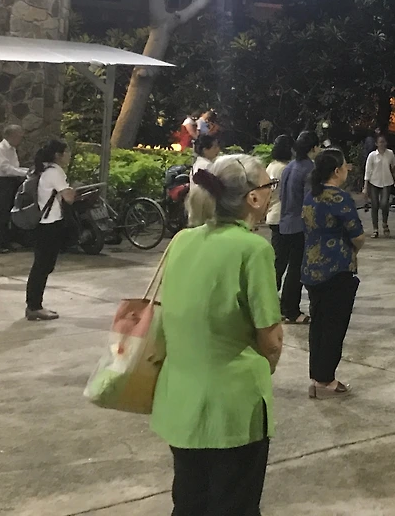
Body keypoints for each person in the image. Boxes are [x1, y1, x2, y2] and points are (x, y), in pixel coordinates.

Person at [152, 154, 282, 516]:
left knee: (189, 503)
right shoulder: (253, 249)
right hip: (232, 408)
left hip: (180, 402)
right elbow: (270, 339)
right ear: (253, 198)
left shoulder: (182, 240)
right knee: (234, 505)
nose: (272, 192)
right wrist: (267, 364)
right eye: (269, 186)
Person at [302, 148, 365, 397]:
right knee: (334, 326)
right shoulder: (340, 198)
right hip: (336, 269)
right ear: (337, 171)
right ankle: (325, 380)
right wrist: (353, 249)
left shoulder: (311, 196)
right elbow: (357, 235)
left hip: (312, 267)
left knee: (318, 324)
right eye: (345, 166)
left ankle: (317, 375)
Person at [23, 139, 78, 320]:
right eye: (66, 152)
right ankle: (34, 307)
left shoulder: (41, 169)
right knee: (43, 266)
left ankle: (34, 305)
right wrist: (73, 189)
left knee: (41, 265)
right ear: (58, 155)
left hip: (41, 222)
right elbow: (69, 198)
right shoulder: (55, 171)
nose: (68, 156)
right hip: (50, 223)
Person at [276, 131, 319, 325]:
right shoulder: (310, 169)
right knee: (297, 270)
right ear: (314, 148)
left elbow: (281, 196)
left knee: (287, 267)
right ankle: (291, 310)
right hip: (300, 226)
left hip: (284, 222)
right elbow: (310, 202)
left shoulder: (289, 167)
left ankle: (284, 307)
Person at [0, 124, 28, 253]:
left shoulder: (12, 149)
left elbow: (15, 167)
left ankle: (5, 241)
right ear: (10, 136)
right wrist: (25, 172)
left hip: (11, 182)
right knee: (0, 213)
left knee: (9, 213)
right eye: (18, 136)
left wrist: (26, 171)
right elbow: (6, 168)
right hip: (1, 183)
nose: (20, 139)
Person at [264, 135, 294, 287]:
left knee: (278, 257)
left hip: (272, 214)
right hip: (283, 215)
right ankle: (271, 289)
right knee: (281, 260)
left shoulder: (271, 167)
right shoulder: (285, 169)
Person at [363, 134, 395, 238]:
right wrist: (365, 186)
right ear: (376, 144)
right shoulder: (372, 155)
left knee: (384, 204)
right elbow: (368, 171)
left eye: (384, 142)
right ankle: (375, 229)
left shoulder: (390, 153)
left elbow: (394, 166)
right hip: (374, 182)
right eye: (380, 142)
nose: (382, 144)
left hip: (386, 181)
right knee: (374, 205)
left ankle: (385, 223)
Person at [187, 135, 224, 226]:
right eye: (214, 147)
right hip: (204, 207)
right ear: (205, 150)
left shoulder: (199, 163)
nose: (218, 150)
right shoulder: (205, 166)